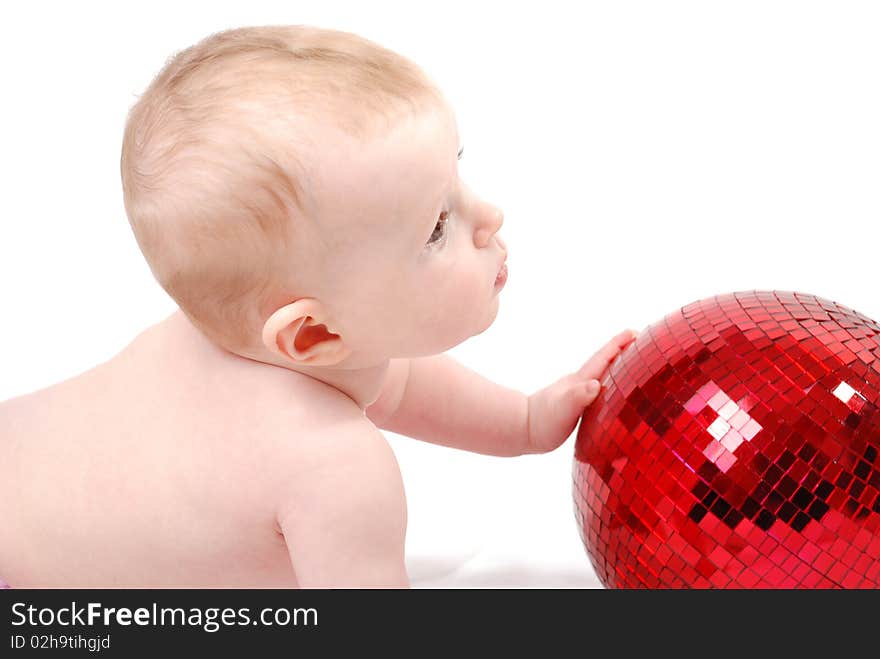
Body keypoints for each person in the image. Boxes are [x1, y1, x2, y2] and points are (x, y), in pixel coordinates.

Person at [0, 24, 636, 588]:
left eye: (457, 176)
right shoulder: (334, 469)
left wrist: (525, 422)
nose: (488, 216)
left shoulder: (251, 338)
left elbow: (395, 379)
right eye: (436, 227)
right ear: (309, 336)